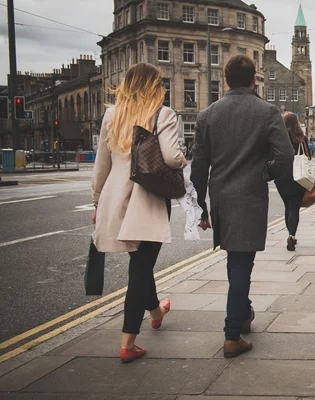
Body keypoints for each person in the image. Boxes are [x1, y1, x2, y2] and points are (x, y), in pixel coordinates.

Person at [191, 55, 294, 358]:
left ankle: (243, 314)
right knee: (240, 265)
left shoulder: (207, 115)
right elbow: (285, 156)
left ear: (225, 80)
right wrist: (266, 172)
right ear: (254, 80)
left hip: (221, 197)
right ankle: (232, 335)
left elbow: (198, 167)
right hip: (250, 196)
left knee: (235, 261)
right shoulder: (267, 111)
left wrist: (201, 207)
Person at [91, 63, 187, 363]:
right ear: (152, 86)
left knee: (141, 263)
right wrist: (184, 159)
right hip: (147, 198)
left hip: (114, 198)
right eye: (160, 84)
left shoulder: (111, 115)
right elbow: (172, 158)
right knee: (140, 269)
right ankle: (128, 343)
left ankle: (156, 310)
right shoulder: (163, 114)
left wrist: (97, 203)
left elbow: (101, 166)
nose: (164, 89)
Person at [275, 112, 311, 251]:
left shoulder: (279, 139)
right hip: (299, 176)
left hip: (281, 177)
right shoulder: (301, 139)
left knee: (287, 206)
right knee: (294, 207)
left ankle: (290, 234)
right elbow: (308, 157)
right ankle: (292, 235)